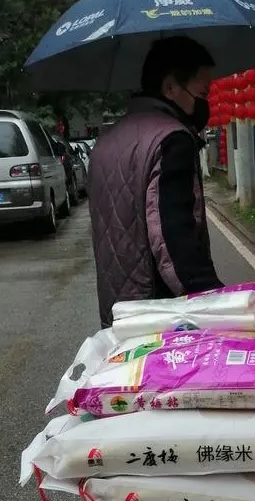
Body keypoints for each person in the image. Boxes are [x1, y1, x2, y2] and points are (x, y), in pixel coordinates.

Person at [88, 36, 223, 328]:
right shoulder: (172, 140)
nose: (205, 103)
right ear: (170, 87)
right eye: (202, 92)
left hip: (119, 314)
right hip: (164, 316)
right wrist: (217, 301)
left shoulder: (106, 141)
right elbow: (174, 243)